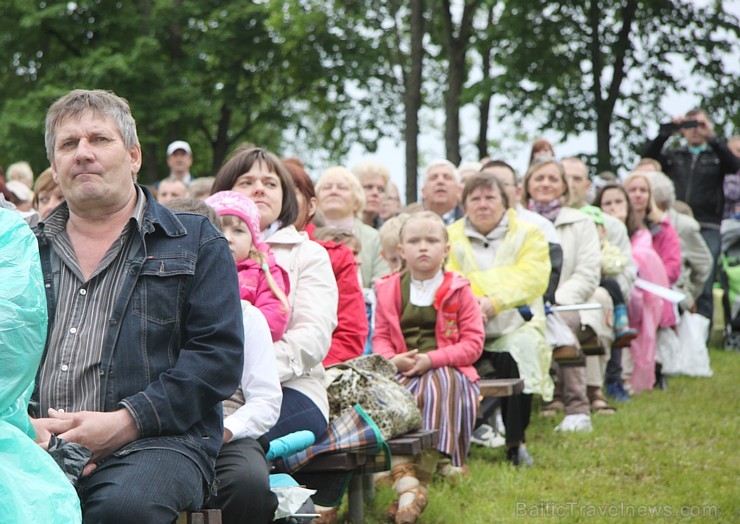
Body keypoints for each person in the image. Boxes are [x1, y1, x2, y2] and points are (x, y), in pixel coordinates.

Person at [31, 89, 244, 522]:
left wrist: (125, 422)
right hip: (31, 438)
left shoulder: (197, 241)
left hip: (157, 441)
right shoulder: (21, 251)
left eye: (99, 140)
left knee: (122, 510)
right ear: (54, 166)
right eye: (69, 144)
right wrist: (19, 425)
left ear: (134, 156)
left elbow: (217, 358)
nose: (83, 154)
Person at [165, 197, 282, 524]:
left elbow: (266, 400)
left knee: (248, 487)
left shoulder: (246, 316)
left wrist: (225, 431)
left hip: (225, 431)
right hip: (154, 432)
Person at [211, 146, 338, 441]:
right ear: (225, 193)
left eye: (270, 184)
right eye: (247, 182)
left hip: (292, 386)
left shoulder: (308, 253)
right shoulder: (201, 248)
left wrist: (248, 372)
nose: (259, 189)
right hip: (210, 385)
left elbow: (313, 336)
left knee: (232, 440)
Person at [373, 211, 485, 523]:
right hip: (403, 369)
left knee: (439, 385)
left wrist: (432, 359)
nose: (423, 247)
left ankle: (416, 478)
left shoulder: (459, 289)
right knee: (395, 394)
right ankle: (407, 476)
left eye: (432, 240)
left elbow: (474, 344)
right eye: (414, 241)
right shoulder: (388, 288)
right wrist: (394, 360)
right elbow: (381, 337)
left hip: (449, 370)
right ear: (401, 250)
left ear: (446, 250)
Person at [447, 173, 552, 465]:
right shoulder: (449, 235)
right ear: (464, 204)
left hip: (513, 321)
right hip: (463, 321)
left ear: (505, 202)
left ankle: (516, 442)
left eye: (490, 197)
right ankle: (456, 439)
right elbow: (447, 275)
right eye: (475, 198)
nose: (483, 204)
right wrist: (473, 301)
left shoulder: (529, 234)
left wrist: (492, 301)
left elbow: (530, 278)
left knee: (518, 355)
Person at [522, 158, 615, 428]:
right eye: (539, 178)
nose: (546, 184)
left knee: (560, 325)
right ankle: (551, 397)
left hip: (569, 303)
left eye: (553, 179)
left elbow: (587, 273)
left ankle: (575, 405)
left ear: (564, 186)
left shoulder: (581, 222)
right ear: (527, 185)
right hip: (525, 304)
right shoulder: (518, 222)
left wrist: (555, 301)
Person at [642, 108, 740, 322]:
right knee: (675, 273)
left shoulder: (716, 156)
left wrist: (711, 137)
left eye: (699, 126)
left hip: (708, 225)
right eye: (689, 126)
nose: (694, 131)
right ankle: (678, 323)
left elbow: (734, 165)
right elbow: (648, 159)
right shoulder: (675, 156)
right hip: (676, 222)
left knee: (705, 276)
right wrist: (667, 132)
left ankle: (701, 334)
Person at [283, 157, 368, 367]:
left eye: (290, 193)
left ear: (312, 205)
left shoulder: (335, 256)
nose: (282, 200)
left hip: (314, 372)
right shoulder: (236, 250)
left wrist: (300, 369)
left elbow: (349, 335)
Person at [596, 184, 668, 394]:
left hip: (636, 294)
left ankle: (620, 379)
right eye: (606, 203)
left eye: (618, 202)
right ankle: (611, 379)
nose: (612, 207)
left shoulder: (640, 234)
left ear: (628, 206)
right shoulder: (592, 228)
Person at [205, 190, 291, 342]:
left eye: (238, 231)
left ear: (253, 242)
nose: (227, 238)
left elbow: (274, 322)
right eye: (218, 229)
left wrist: (228, 324)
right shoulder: (199, 270)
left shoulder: (265, 271)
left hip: (248, 352)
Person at [315, 165, 391, 289]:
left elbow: (382, 285)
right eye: (327, 187)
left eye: (342, 187)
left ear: (357, 201)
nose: (333, 191)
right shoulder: (305, 236)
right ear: (316, 201)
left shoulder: (376, 239)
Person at [420, 159, 463, 225]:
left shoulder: (471, 224)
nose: (440, 181)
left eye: (447, 177)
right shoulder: (410, 225)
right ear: (423, 192)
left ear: (459, 190)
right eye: (433, 178)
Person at [353, 161, 390, 229]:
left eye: (381, 189)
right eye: (368, 187)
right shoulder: (338, 229)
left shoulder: (388, 232)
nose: (375, 193)